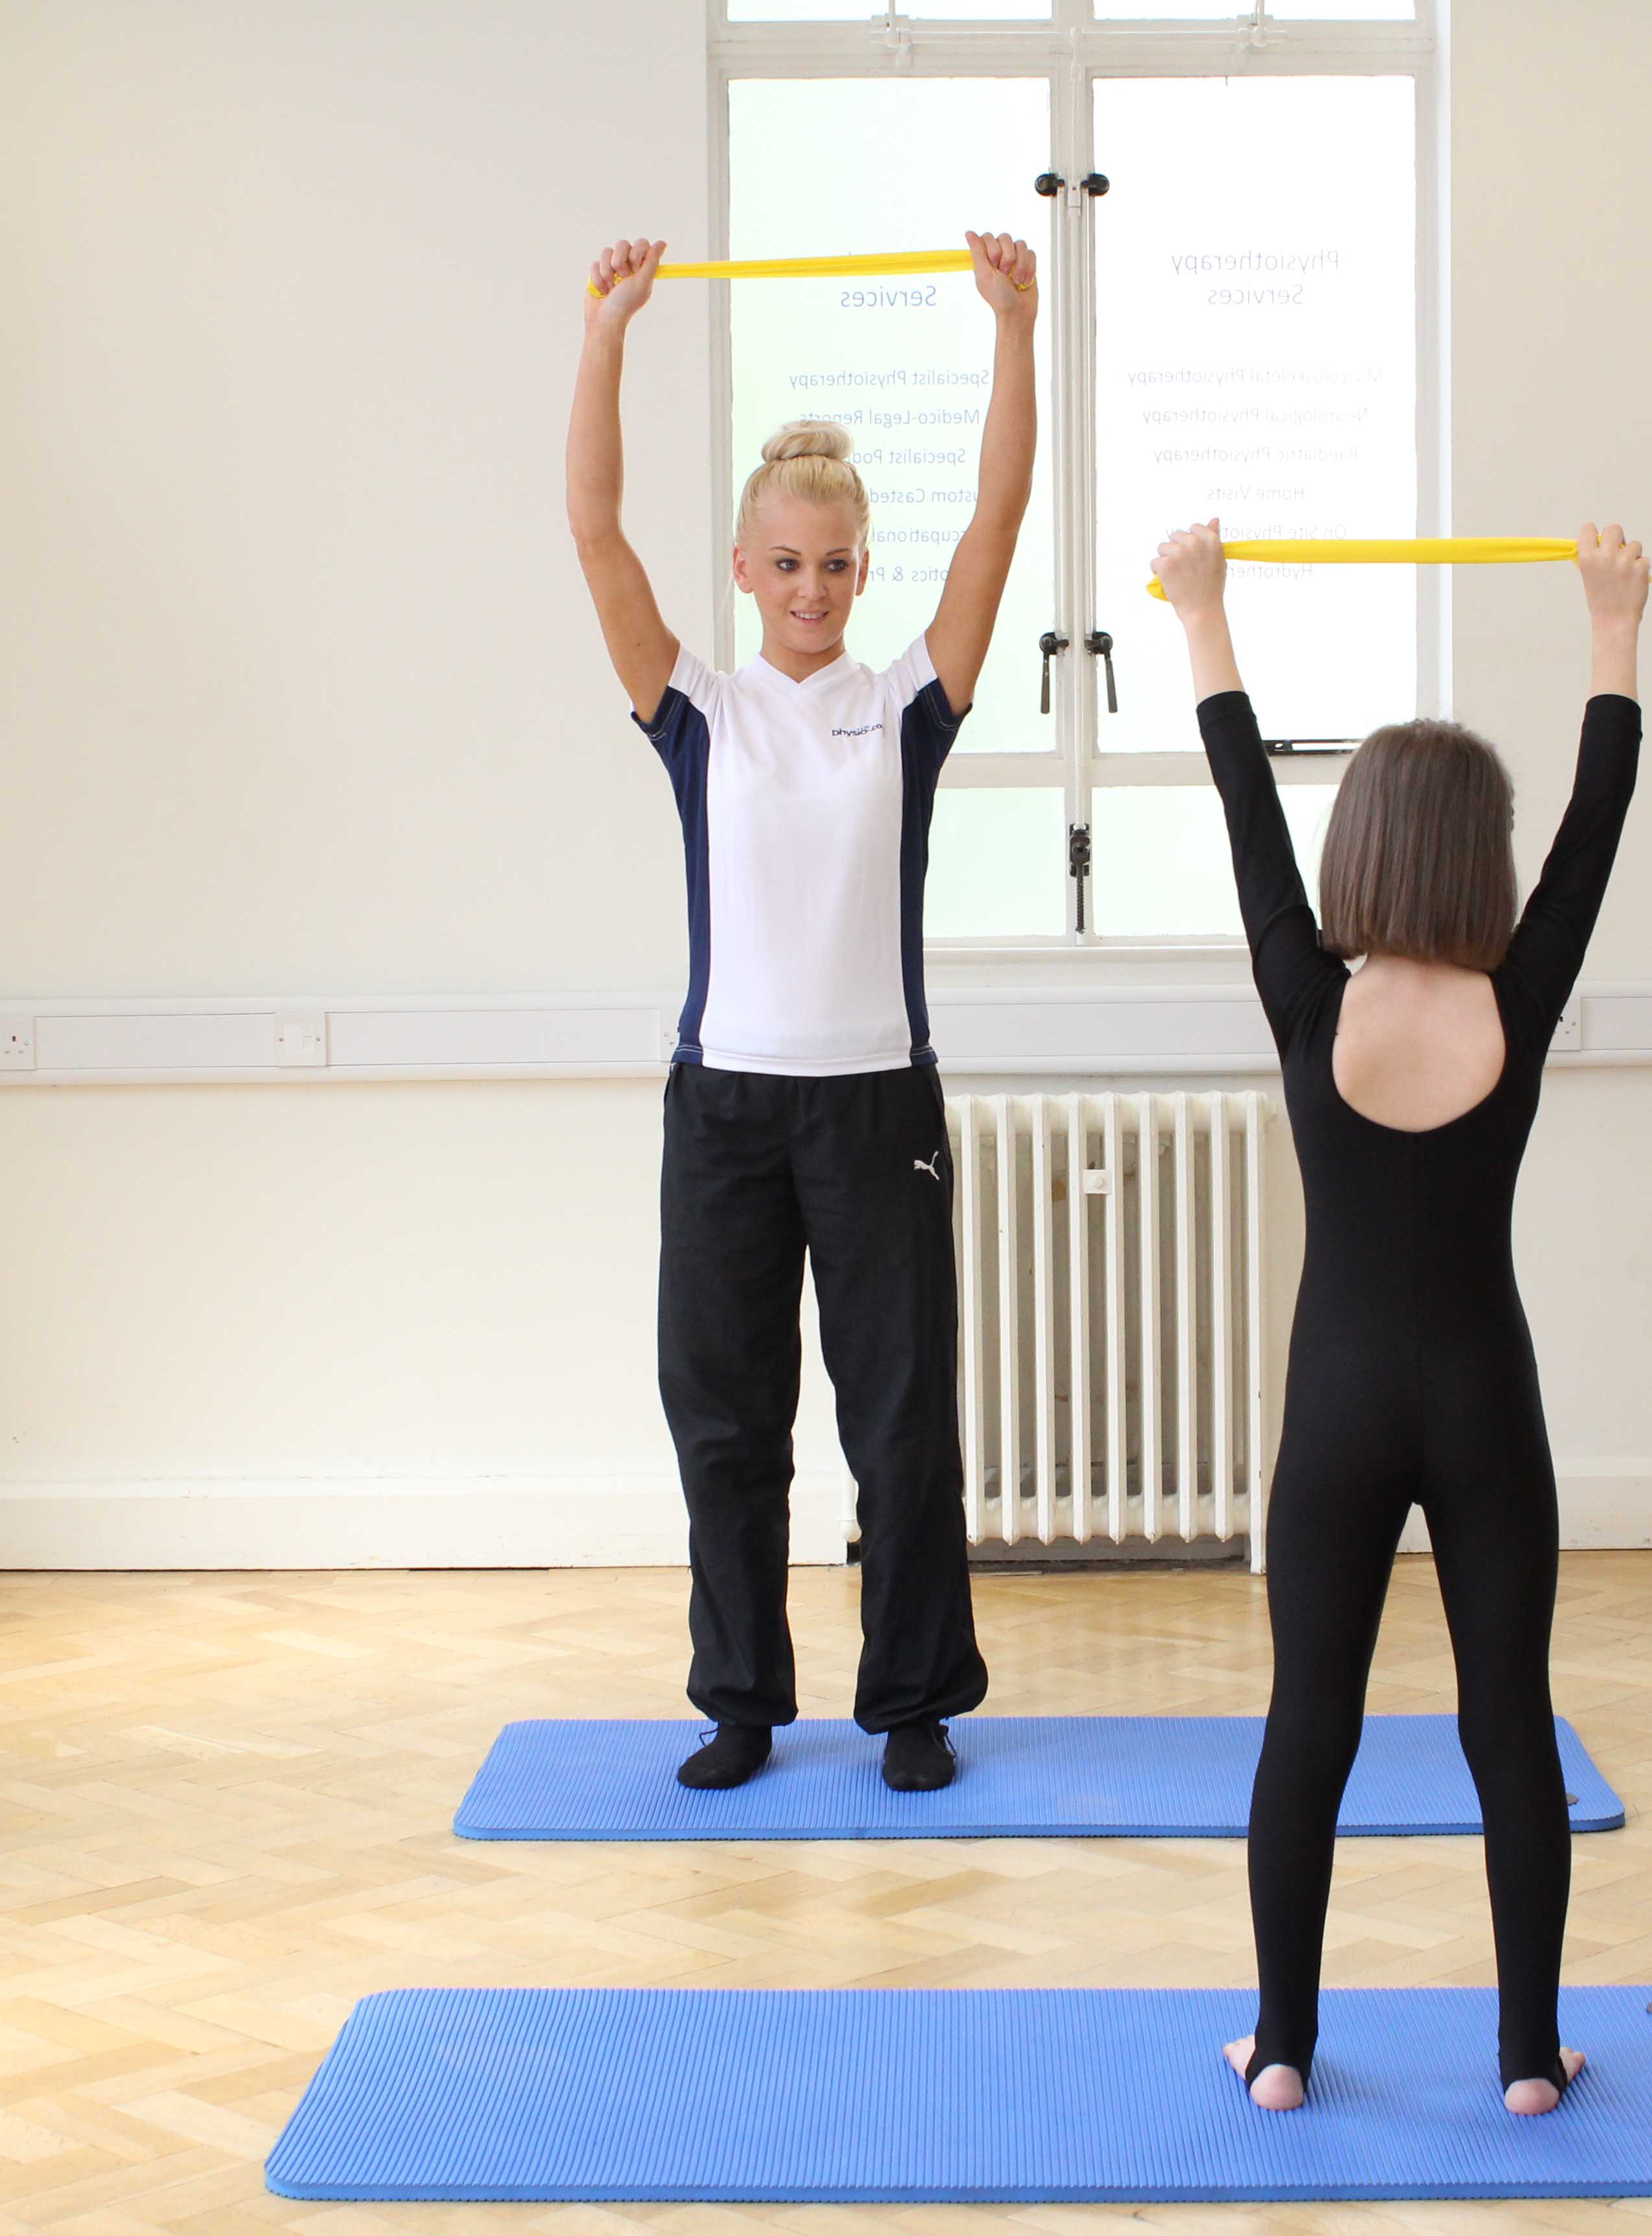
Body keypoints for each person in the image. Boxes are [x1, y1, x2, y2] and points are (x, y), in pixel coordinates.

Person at [1148, 516, 1650, 2114]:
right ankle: (1521, 2062)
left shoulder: (1309, 994)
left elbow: (1243, 804)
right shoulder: (1522, 995)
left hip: (1342, 1409)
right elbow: (1601, 821)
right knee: (1512, 1729)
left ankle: (1284, 2049)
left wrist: (1204, 615)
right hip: (1486, 1399)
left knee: (1313, 1725)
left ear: (1362, 847)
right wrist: (1613, 627)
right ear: (1483, 862)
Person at [566, 231, 1041, 1793]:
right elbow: (592, 526)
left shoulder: (904, 707)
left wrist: (1013, 329)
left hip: (874, 1104)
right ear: (745, 569)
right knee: (726, 1419)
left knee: (900, 1423)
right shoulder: (699, 710)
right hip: (725, 1109)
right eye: (785, 563)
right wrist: (608, 331)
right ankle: (742, 1703)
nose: (813, 589)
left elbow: (997, 523)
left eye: (837, 564)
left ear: (860, 569)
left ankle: (910, 1704)